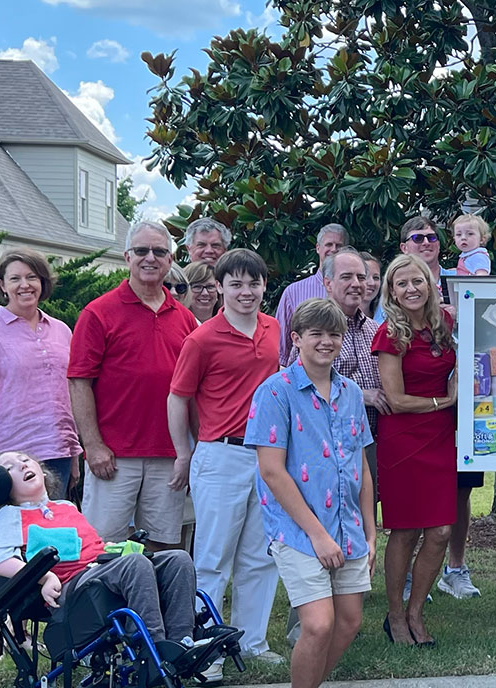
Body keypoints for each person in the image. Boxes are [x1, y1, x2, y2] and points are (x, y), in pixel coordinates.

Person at [0, 453, 232, 669]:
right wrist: (45, 577)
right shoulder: (10, 515)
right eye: (10, 468)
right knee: (135, 565)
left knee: (177, 559)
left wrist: (115, 548)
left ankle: (182, 642)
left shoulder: (65, 506)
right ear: (2, 486)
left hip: (100, 569)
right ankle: (151, 647)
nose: (22, 465)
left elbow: (91, 546)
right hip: (71, 587)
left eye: (25, 460)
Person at [245, 299, 375, 688]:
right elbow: (270, 469)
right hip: (299, 528)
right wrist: (317, 534)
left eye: (334, 334)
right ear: (297, 338)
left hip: (347, 525)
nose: (326, 342)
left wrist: (370, 532)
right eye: (316, 334)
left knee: (349, 621)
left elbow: (361, 465)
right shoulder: (275, 392)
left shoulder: (351, 392)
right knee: (318, 624)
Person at [167, 249, 283, 678]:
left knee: (261, 554)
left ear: (263, 286)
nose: (245, 292)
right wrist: (184, 453)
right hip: (220, 455)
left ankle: (251, 640)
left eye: (253, 284)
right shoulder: (202, 338)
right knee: (214, 558)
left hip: (268, 457)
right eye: (235, 284)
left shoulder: (274, 329)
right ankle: (205, 649)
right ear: (219, 287)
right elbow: (178, 398)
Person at [68, 220, 197, 551]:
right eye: (141, 250)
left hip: (168, 455)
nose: (150, 258)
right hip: (113, 456)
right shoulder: (98, 313)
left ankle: (151, 605)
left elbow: (193, 390)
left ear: (171, 260)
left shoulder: (183, 317)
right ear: (127, 257)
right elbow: (79, 381)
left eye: (159, 251)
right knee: (104, 547)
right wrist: (93, 445)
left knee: (162, 547)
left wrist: (190, 450)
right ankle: (108, 606)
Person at [373, 254, 458, 645]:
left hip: (441, 438)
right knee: (404, 531)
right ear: (391, 290)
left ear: (430, 283)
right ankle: (395, 616)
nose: (410, 289)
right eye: (401, 283)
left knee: (440, 530)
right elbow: (396, 398)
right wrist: (445, 402)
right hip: (404, 439)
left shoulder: (447, 325)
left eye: (417, 281)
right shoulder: (390, 332)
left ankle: (416, 612)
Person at [0, 248, 80, 497]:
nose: (24, 285)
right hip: (9, 462)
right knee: (18, 533)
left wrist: (74, 454)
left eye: (32, 277)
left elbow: (66, 397)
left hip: (58, 454)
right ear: (3, 285)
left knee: (55, 532)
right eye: (15, 278)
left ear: (42, 282)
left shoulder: (61, 331)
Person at [274, 223, 350, 366]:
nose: (333, 249)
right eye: (329, 244)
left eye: (339, 246)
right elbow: (281, 349)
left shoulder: (354, 291)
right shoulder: (293, 292)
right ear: (317, 248)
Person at [399, 217, 446, 296]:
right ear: (404, 248)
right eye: (418, 238)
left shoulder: (459, 277)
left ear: (438, 245)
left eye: (431, 237)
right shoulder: (396, 286)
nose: (426, 243)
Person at [357, 251, 383, 323]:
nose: (371, 283)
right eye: (365, 276)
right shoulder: (339, 317)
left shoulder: (385, 317)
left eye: (376, 278)